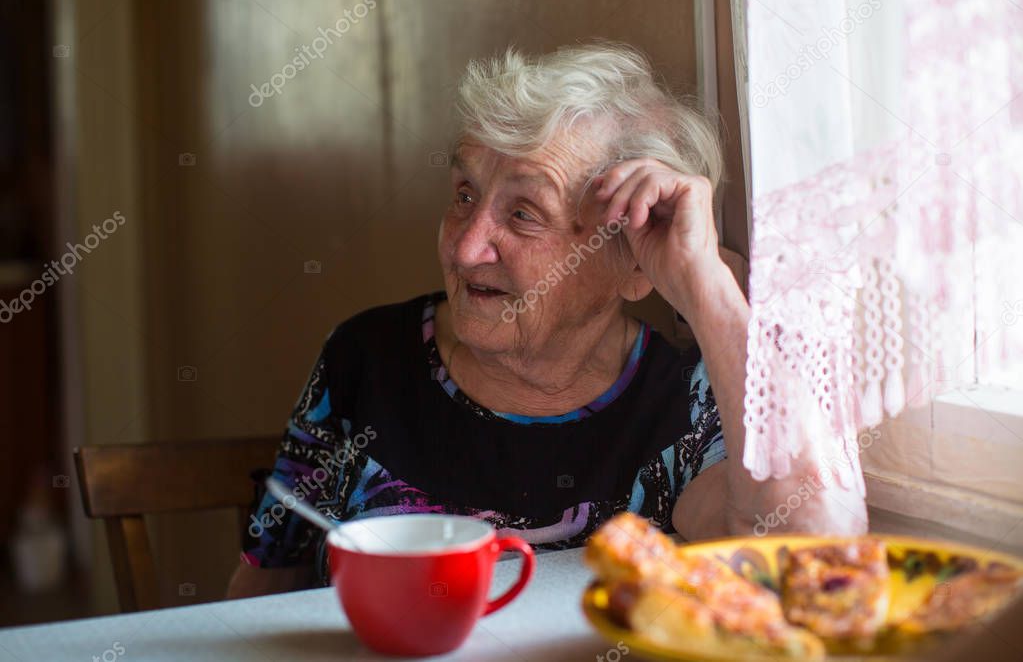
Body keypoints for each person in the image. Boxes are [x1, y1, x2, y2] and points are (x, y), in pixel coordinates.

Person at [227, 42, 865, 598]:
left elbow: (816, 555)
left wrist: (705, 286)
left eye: (525, 213)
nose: (466, 247)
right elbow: (260, 596)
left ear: (630, 259)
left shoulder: (685, 401)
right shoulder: (365, 357)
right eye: (465, 195)